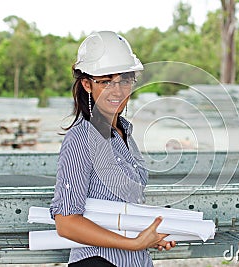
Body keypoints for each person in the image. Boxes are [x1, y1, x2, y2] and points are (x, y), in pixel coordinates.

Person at [50, 31, 175, 267]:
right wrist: (134, 243)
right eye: (106, 81)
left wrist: (150, 236)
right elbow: (66, 222)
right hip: (98, 262)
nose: (117, 91)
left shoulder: (123, 133)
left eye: (125, 80)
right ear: (87, 84)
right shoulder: (81, 139)